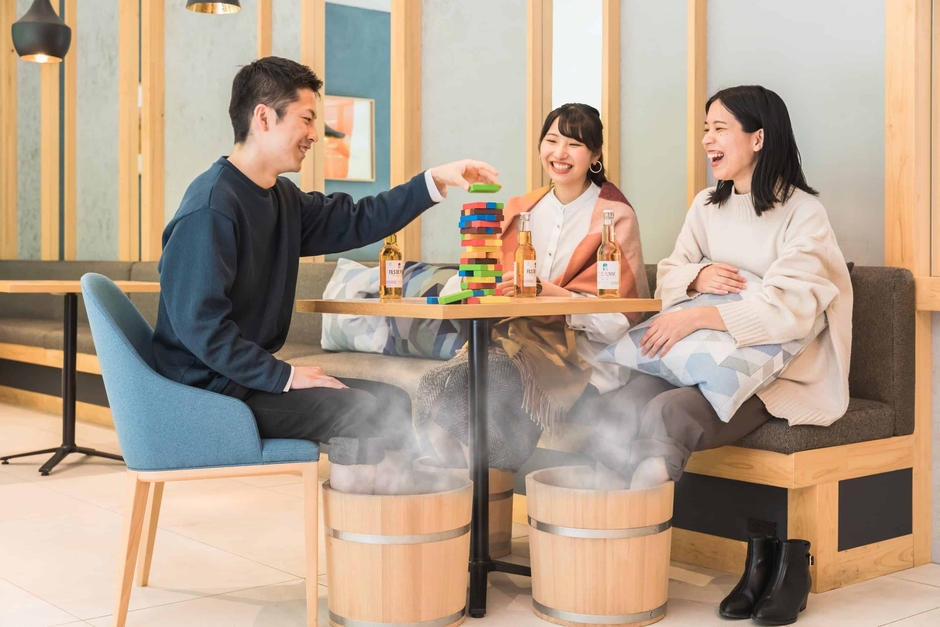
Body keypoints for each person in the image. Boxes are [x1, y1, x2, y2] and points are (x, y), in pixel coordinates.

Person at [152, 56, 499, 493]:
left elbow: (358, 219)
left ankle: (399, 515)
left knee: (390, 400)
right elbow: (201, 329)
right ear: (264, 117)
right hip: (204, 392)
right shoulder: (210, 207)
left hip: (241, 380)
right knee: (361, 412)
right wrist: (284, 376)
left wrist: (434, 180)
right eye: (307, 118)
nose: (315, 134)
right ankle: (368, 526)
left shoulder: (280, 198)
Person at [587, 85, 853, 489]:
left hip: (776, 376)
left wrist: (697, 316)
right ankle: (595, 519)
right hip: (698, 359)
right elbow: (670, 274)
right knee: (619, 406)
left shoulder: (804, 213)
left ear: (758, 138)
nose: (707, 139)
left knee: (669, 414)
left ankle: (639, 524)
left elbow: (791, 308)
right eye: (706, 129)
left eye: (720, 128)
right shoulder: (707, 205)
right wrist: (698, 277)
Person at [415, 103, 648, 472]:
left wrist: (552, 295)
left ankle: (484, 487)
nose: (560, 153)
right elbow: (482, 276)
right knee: (437, 385)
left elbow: (619, 321)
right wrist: (473, 283)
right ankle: (465, 487)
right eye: (552, 140)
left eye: (574, 144)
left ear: (595, 154)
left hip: (581, 356)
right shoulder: (519, 211)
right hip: (511, 340)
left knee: (490, 382)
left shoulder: (614, 218)